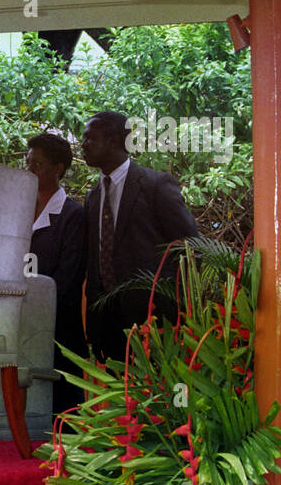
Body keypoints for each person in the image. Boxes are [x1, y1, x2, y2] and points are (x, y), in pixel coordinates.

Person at [81, 111, 197, 362]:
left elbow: (189, 245)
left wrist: (175, 308)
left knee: (155, 396)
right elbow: (94, 262)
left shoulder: (155, 185)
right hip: (109, 323)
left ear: (112, 141)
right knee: (120, 399)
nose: (83, 145)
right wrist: (94, 320)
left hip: (154, 321)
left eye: (90, 138)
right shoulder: (92, 197)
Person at [25, 132, 88, 415]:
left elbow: (70, 276)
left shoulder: (72, 215)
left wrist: (38, 306)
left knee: (61, 407)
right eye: (27, 162)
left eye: (37, 164)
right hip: (18, 320)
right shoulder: (16, 208)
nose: (29, 169)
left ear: (58, 169)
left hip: (59, 325)